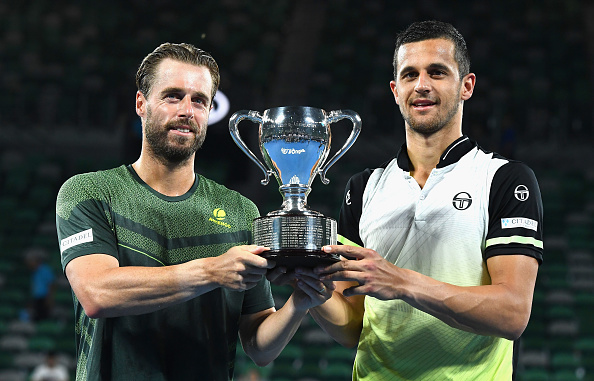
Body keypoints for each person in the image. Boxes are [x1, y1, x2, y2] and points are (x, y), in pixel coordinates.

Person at [55, 43, 328, 381]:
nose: (187, 110)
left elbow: (259, 348)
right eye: (172, 96)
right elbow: (96, 293)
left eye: (199, 100)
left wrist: (299, 303)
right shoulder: (90, 191)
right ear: (141, 104)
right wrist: (212, 272)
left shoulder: (241, 211)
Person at [292, 21, 544, 380]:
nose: (421, 85)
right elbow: (352, 328)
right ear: (396, 90)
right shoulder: (363, 188)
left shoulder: (504, 179)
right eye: (410, 75)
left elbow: (513, 314)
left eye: (437, 72)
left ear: (466, 86)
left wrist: (401, 282)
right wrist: (306, 285)